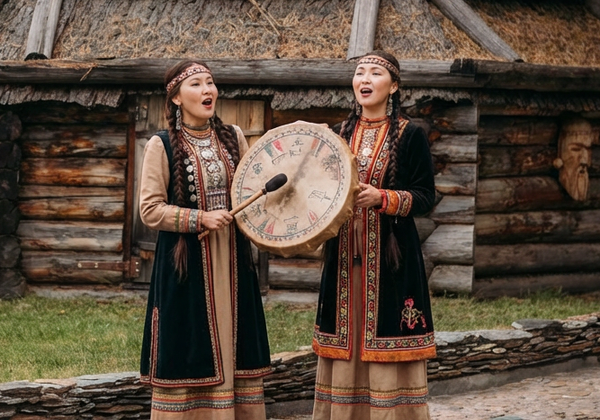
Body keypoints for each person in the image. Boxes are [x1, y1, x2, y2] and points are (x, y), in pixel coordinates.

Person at [138, 60, 271, 420]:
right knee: (188, 347)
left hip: (233, 261)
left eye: (210, 82)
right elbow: (150, 210)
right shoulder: (161, 145)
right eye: (195, 84)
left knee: (237, 344)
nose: (207, 90)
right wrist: (200, 218)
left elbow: (253, 190)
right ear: (176, 98)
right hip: (186, 265)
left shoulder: (233, 136)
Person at [312, 50, 437, 420]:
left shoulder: (410, 134)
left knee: (386, 334)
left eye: (375, 73)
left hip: (391, 259)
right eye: (359, 73)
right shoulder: (340, 134)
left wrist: (383, 198)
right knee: (345, 336)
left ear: (393, 86)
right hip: (344, 259)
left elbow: (426, 196)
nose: (364, 80)